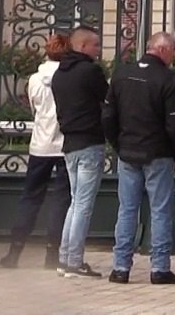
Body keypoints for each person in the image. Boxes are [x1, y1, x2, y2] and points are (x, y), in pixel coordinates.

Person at [104, 32, 175, 285]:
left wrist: (118, 144)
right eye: (173, 50)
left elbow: (108, 116)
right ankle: (160, 268)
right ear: (163, 50)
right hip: (158, 152)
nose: (174, 56)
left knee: (127, 209)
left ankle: (120, 267)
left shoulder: (121, 74)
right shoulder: (169, 79)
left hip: (128, 150)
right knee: (160, 211)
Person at [0, 34, 72, 271]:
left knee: (30, 198)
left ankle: (14, 251)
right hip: (64, 145)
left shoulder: (34, 79)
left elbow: (34, 109)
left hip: (40, 144)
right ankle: (52, 254)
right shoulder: (69, 77)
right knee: (61, 200)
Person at [50, 26, 108, 279]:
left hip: (70, 143)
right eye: (95, 45)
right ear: (83, 46)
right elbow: (108, 99)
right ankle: (74, 260)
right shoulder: (90, 71)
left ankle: (65, 257)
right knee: (83, 204)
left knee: (75, 202)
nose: (99, 49)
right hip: (89, 142)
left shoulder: (59, 74)